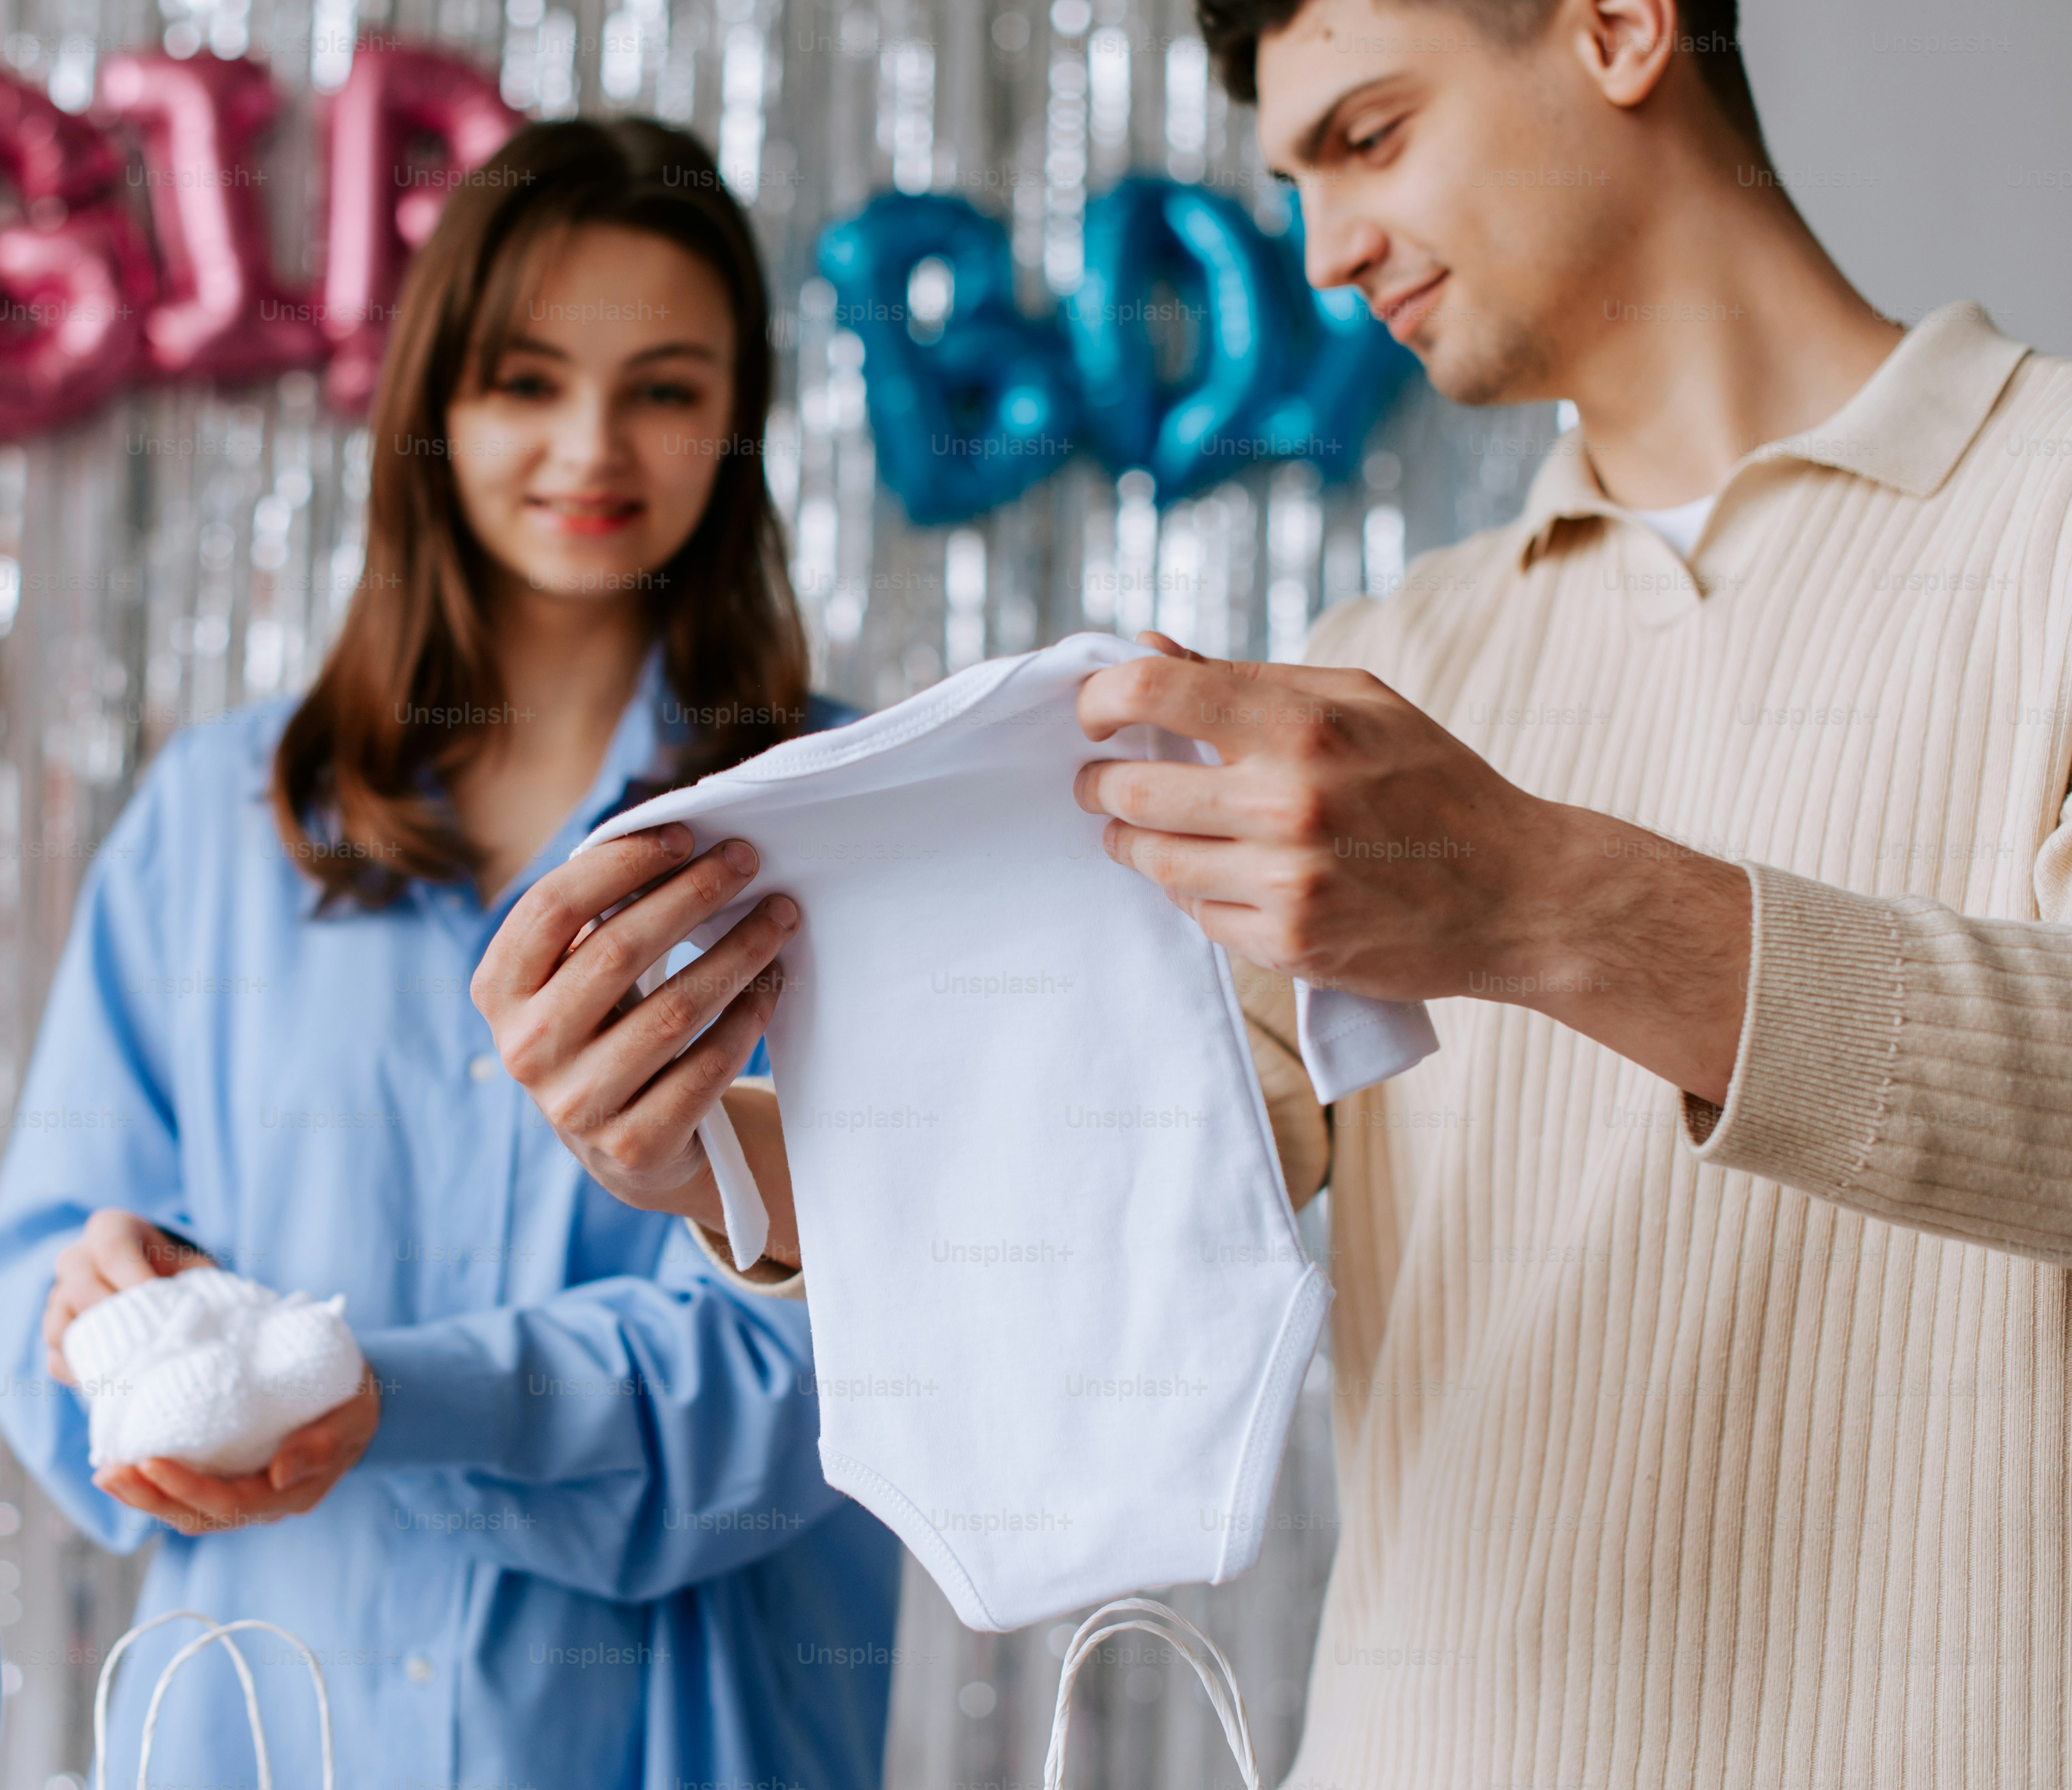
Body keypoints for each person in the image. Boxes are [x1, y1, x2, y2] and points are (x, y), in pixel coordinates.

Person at [475, 1, 2072, 1785]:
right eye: (1290, 180)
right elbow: (1136, 1180)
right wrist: (711, 1155)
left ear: (1619, 26)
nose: (1320, 252)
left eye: (1369, 137)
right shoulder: (1386, 662)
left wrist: (1548, 901)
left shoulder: (2051, 525)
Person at [0, 118, 898, 1790]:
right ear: (431, 408)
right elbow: (43, 1269)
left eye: (666, 389)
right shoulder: (213, 822)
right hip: (262, 1722)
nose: (591, 445)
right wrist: (102, 1313)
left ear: (738, 424)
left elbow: (849, 1360)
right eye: (526, 381)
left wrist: (383, 1397)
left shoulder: (856, 825)